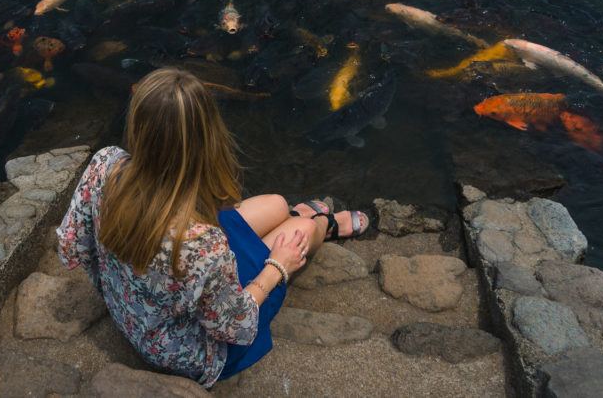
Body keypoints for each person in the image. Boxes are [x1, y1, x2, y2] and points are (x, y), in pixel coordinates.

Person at [57, 67, 371, 387]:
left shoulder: (105, 163)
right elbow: (233, 325)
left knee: (276, 203)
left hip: (134, 300)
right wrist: (278, 266)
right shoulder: (203, 245)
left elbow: (71, 246)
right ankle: (322, 225)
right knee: (305, 229)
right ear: (206, 138)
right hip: (186, 349)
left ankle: (294, 216)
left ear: (137, 126)